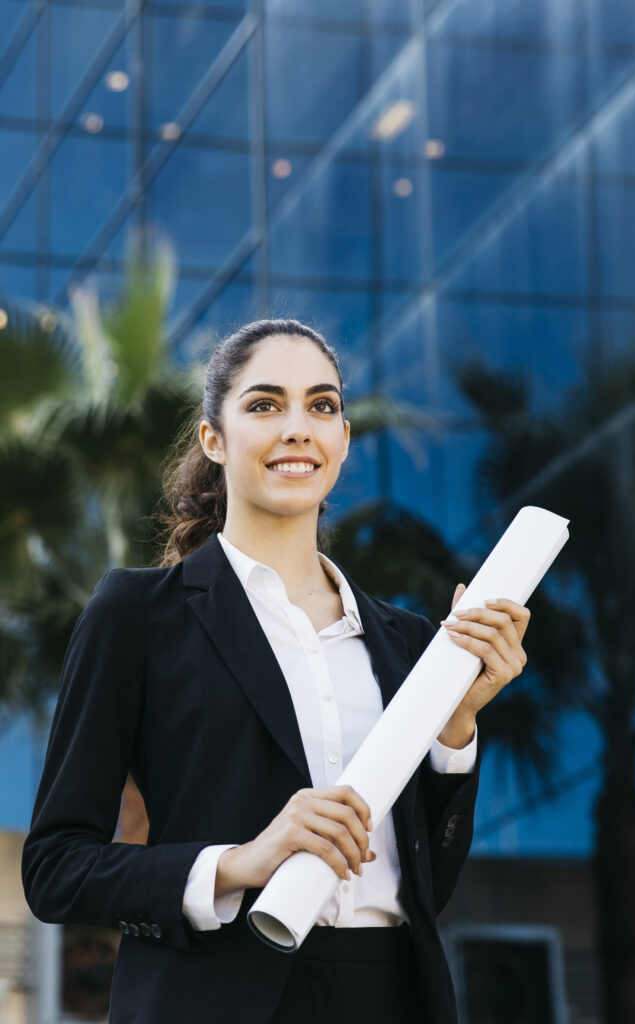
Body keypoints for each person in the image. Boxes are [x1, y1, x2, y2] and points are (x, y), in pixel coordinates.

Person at [21, 319, 530, 1024]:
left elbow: (424, 887)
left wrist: (457, 724)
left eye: (321, 406)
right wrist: (241, 862)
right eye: (264, 405)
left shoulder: (411, 642)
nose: (297, 428)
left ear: (342, 440)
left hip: (390, 996)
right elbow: (55, 868)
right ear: (214, 439)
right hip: (211, 998)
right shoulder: (138, 614)